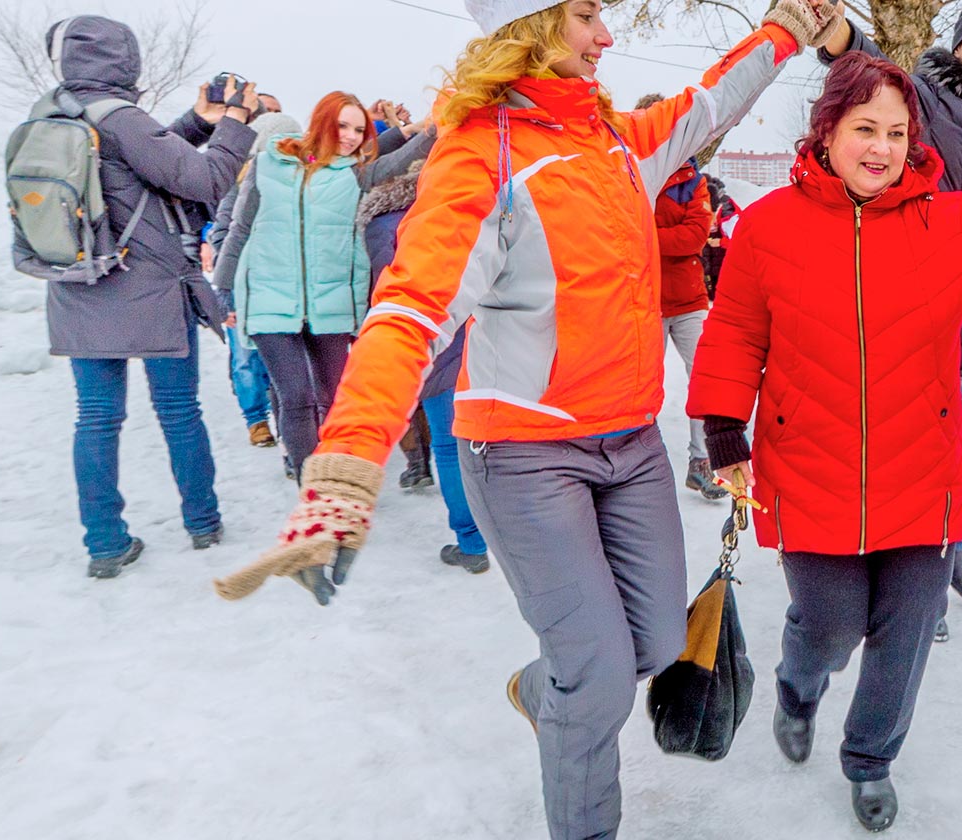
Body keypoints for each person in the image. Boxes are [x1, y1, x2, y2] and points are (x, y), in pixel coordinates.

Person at [213, 2, 847, 838]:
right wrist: (346, 460)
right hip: (522, 458)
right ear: (535, 25)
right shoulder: (482, 155)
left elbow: (707, 101)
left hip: (630, 445)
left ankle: (544, 690)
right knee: (600, 678)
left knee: (653, 648)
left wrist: (789, 27)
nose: (608, 37)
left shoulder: (619, 140)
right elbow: (411, 311)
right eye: (588, 16)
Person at [687, 52, 962, 832]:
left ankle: (870, 758)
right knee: (831, 625)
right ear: (828, 131)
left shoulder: (945, 220)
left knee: (906, 632)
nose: (880, 147)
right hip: (811, 470)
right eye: (863, 129)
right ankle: (797, 687)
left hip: (922, 474)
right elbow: (737, 329)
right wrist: (722, 427)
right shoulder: (770, 226)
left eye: (895, 131)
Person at [822, 0, 962, 638]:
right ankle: (920, 588)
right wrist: (834, 31)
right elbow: (867, 66)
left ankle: (950, 542)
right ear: (960, 46)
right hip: (935, 313)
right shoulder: (923, 100)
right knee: (927, 466)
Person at [32, 15, 259, 578]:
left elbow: (142, 163)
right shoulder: (124, 118)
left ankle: (105, 544)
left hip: (77, 285)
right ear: (123, 59)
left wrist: (196, 122)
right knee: (179, 411)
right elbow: (204, 181)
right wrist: (234, 121)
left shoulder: (48, 115)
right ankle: (203, 522)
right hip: (150, 288)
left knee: (95, 418)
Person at [211, 92, 436, 479]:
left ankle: (334, 476)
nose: (349, 136)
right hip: (270, 300)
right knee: (295, 397)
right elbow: (239, 230)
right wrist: (224, 289)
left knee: (334, 398)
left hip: (329, 302)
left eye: (358, 130)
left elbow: (397, 159)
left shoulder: (354, 173)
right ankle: (310, 485)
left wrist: (434, 129)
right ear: (321, 122)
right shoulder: (266, 166)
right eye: (342, 126)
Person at [357, 157, 489, 573]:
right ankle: (501, 530)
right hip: (481, 335)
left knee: (450, 448)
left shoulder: (381, 225)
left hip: (431, 339)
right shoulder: (460, 208)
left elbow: (386, 288)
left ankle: (471, 543)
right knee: (486, 442)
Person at [636, 91, 724, 500]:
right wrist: (661, 237)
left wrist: (648, 236)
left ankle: (701, 461)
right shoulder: (631, 171)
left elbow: (693, 238)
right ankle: (639, 469)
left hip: (688, 301)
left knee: (706, 380)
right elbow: (626, 235)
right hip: (644, 300)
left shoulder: (694, 180)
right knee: (639, 386)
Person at [207, 111, 304, 450]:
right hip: (245, 286)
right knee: (247, 359)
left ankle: (293, 440)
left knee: (286, 372)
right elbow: (223, 235)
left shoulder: (301, 181)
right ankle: (256, 419)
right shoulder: (242, 185)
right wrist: (227, 288)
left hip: (285, 289)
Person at [700, 174, 739, 301]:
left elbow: (738, 242)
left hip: (724, 263)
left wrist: (721, 242)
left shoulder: (727, 211)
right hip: (710, 261)